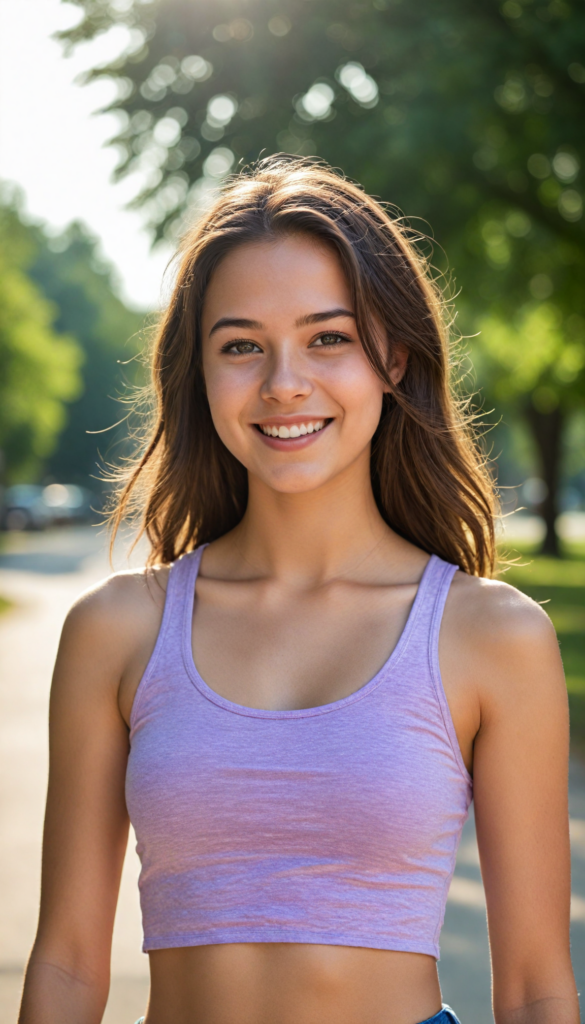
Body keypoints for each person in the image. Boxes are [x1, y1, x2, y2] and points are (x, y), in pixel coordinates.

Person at [18, 155, 578, 1024]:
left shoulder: (490, 636)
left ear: (391, 355)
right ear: (198, 375)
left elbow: (539, 985)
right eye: (241, 345)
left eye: (328, 337)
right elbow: (64, 962)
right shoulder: (118, 630)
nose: (284, 383)